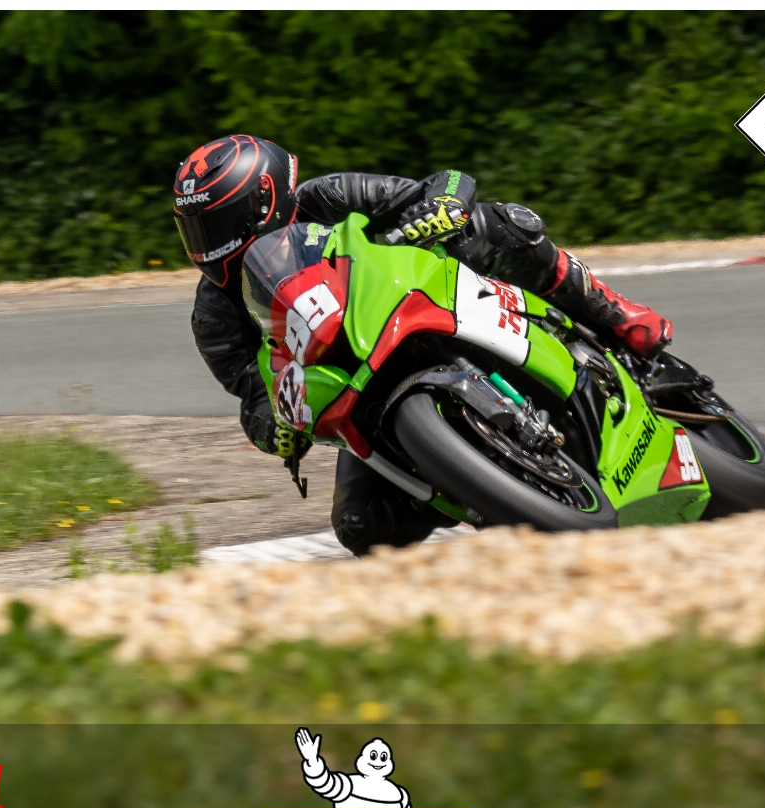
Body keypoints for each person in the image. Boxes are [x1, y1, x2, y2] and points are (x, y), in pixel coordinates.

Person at [174, 134, 673, 555]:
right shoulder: (215, 315)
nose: (205, 245)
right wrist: (276, 429)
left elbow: (449, 184)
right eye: (193, 230)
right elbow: (253, 397)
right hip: (355, 389)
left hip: (421, 303)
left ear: (263, 199)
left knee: (498, 225)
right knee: (360, 527)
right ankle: (478, 490)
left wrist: (437, 211)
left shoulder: (326, 197)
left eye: (215, 226)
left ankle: (615, 313)